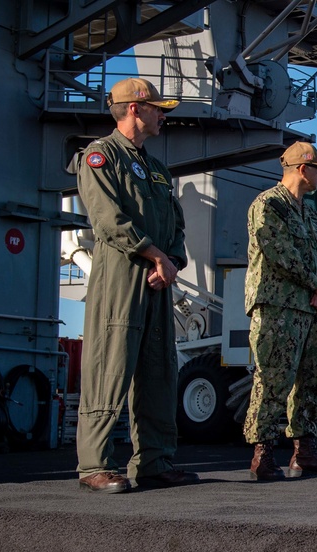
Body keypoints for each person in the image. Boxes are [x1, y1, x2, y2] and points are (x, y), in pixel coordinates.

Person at [75, 78, 200, 492]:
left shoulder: (157, 170)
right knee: (110, 364)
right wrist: (155, 255)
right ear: (134, 109)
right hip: (122, 277)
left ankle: (154, 461)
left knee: (159, 368)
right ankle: (95, 464)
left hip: (157, 280)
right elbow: (107, 219)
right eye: (157, 108)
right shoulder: (100, 156)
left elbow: (177, 224)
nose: (163, 115)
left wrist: (172, 261)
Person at [243, 142, 317, 481]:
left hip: (308, 309)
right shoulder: (268, 205)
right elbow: (280, 253)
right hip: (277, 306)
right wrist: (316, 285)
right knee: (273, 379)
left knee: (312, 380)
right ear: (302, 168)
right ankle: (263, 454)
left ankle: (304, 452)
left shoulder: (310, 214)